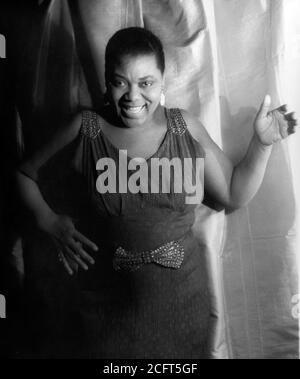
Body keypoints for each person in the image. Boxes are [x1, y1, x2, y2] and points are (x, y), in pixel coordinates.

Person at [15, 27, 297, 359]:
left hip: (183, 313)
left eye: (145, 83)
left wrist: (261, 146)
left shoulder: (184, 128)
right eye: (121, 81)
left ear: (162, 81)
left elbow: (234, 194)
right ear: (107, 81)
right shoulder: (86, 129)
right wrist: (47, 220)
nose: (133, 97)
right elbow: (23, 174)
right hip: (105, 318)